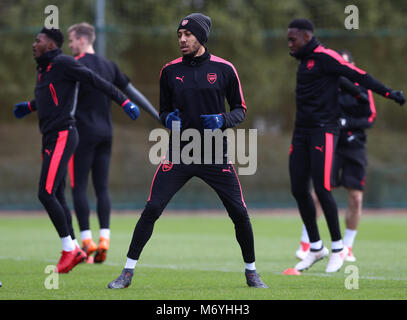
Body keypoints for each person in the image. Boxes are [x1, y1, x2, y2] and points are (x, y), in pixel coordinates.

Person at [107, 13, 268, 289]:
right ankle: (127, 272)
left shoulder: (225, 69)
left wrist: (222, 120)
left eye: (188, 35)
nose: (182, 40)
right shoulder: (169, 71)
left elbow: (240, 109)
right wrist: (167, 119)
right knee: (152, 208)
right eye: (179, 36)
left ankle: (252, 272)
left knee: (239, 213)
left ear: (201, 37)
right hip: (179, 153)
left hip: (215, 155)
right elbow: (164, 110)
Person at [13, 27, 140, 273]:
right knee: (57, 193)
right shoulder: (44, 69)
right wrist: (29, 106)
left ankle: (70, 249)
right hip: (49, 137)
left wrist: (123, 101)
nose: (33, 44)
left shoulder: (63, 63)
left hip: (64, 134)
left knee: (46, 192)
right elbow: (50, 99)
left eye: (37, 40)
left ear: (50, 45)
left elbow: (96, 80)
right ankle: (75, 247)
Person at [287, 18, 405, 273]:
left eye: (292, 39)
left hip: (324, 132)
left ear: (306, 37)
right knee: (298, 188)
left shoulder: (326, 56)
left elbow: (359, 76)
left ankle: (339, 248)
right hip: (301, 133)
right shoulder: (304, 60)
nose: (289, 44)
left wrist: (389, 93)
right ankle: (316, 247)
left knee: (323, 187)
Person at [67, 22, 159, 264]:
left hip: (82, 134)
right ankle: (105, 239)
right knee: (102, 187)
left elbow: (70, 102)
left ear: (83, 40)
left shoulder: (75, 65)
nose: (69, 44)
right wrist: (158, 115)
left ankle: (86, 243)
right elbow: (133, 93)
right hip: (106, 134)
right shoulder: (109, 66)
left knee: (78, 187)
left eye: (72, 39)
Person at [295, 50, 377, 262]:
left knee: (356, 198)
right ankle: (309, 243)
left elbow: (370, 118)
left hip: (354, 147)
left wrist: (346, 124)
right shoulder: (326, 86)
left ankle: (347, 248)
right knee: (318, 193)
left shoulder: (361, 89)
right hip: (329, 143)